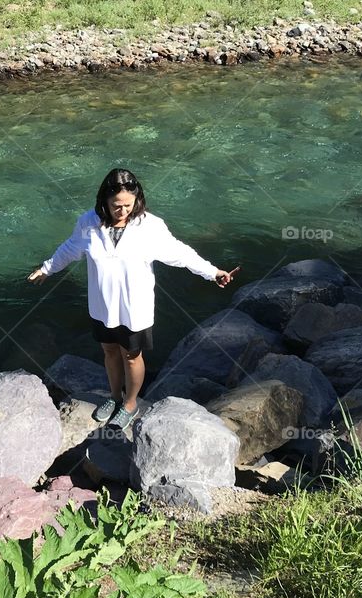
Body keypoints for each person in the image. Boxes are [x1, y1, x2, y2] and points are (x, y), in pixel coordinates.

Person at [27, 167, 236, 430]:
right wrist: (47, 268)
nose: (123, 211)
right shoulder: (89, 223)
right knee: (109, 351)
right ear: (104, 200)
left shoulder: (150, 226)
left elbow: (180, 253)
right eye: (116, 205)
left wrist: (212, 272)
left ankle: (130, 403)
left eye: (128, 205)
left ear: (137, 199)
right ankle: (114, 398)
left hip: (134, 309)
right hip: (102, 306)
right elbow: (70, 249)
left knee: (131, 356)